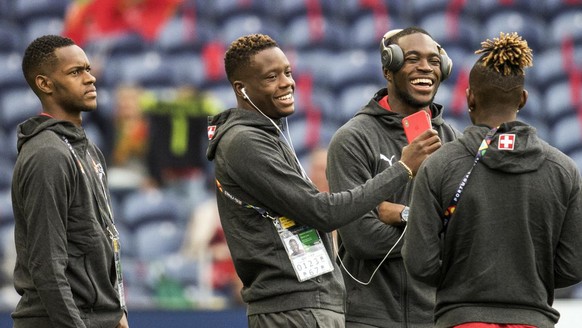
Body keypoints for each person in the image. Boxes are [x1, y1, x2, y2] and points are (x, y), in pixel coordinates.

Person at [206, 33, 440, 328]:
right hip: (291, 310)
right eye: (271, 77)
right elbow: (324, 213)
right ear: (242, 89)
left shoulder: (264, 136)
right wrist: (403, 168)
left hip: (305, 307)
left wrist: (404, 214)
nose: (286, 83)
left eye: (288, 73)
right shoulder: (244, 142)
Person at [402, 32, 582, 328]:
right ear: (523, 99)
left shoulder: (439, 165)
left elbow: (420, 263)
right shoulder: (564, 169)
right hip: (533, 320)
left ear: (470, 98)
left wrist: (459, 278)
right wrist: (529, 278)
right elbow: (572, 266)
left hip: (462, 319)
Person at [326, 26, 461, 327]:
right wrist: (435, 231)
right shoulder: (353, 139)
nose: (425, 67)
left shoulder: (454, 141)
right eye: (413, 58)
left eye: (433, 60)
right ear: (389, 68)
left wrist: (403, 214)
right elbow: (361, 238)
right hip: (368, 317)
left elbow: (467, 236)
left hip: (436, 317)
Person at [11, 35, 128, 328]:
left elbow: (103, 238)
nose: (90, 79)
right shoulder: (47, 154)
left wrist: (117, 312)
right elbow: (47, 265)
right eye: (76, 72)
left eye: (88, 69)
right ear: (45, 84)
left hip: (99, 317)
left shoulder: (89, 149)